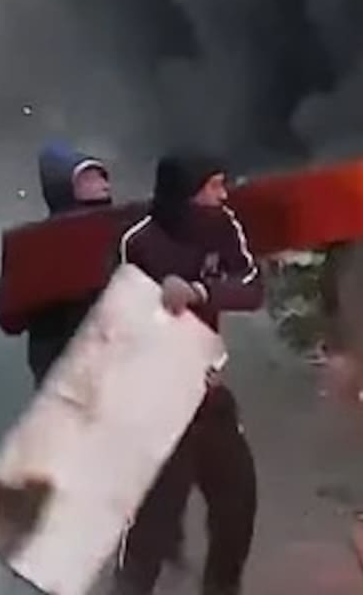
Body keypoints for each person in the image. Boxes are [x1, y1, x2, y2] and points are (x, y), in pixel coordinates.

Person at [111, 152, 262, 595]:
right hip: (157, 402)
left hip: (208, 396)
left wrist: (200, 291)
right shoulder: (138, 242)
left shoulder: (225, 225)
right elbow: (116, 322)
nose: (223, 195)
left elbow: (251, 287)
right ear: (185, 192)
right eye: (213, 186)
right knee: (152, 526)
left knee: (237, 503)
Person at [0, 143, 113, 386]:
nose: (103, 183)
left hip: (113, 350)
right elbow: (13, 318)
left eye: (101, 176)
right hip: (59, 354)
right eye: (90, 178)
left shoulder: (125, 229)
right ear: (67, 186)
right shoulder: (37, 245)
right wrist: (2, 294)